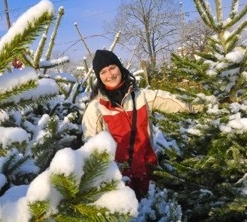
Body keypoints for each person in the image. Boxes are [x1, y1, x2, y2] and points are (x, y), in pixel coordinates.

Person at [82, 49, 199, 198]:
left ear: (120, 67)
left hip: (149, 174)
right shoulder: (96, 108)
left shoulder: (141, 96)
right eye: (103, 72)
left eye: (112, 68)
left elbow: (172, 101)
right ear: (99, 77)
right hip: (118, 184)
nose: (110, 75)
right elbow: (90, 148)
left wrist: (202, 104)